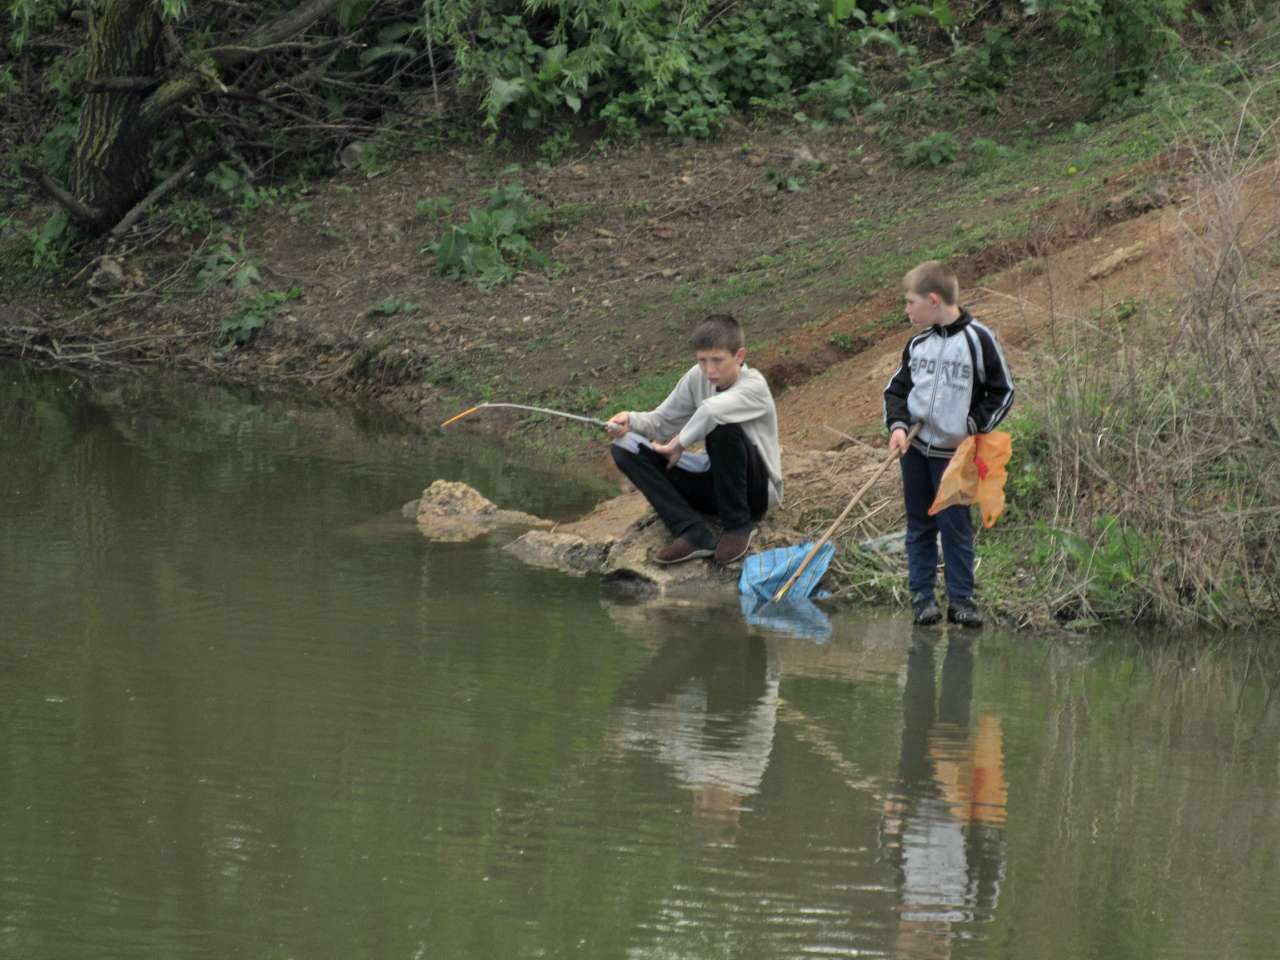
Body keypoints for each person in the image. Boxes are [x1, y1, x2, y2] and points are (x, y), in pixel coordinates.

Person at [883, 261, 1014, 627]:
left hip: (955, 456)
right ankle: (922, 599)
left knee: (954, 526)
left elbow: (1003, 392)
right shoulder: (917, 344)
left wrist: (972, 425)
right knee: (920, 525)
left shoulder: (978, 340)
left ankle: (962, 601)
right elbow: (897, 390)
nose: (907, 310)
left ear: (934, 300)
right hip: (917, 451)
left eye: (910, 302)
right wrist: (897, 427)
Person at [606, 314, 782, 566]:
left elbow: (711, 411)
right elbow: (662, 420)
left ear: (739, 356)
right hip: (714, 487)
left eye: (718, 361)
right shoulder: (696, 377)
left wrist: (678, 444)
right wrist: (630, 421)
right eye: (702, 361)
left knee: (722, 427)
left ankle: (738, 526)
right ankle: (691, 531)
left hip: (754, 494)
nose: (709, 370)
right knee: (624, 447)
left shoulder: (755, 387)